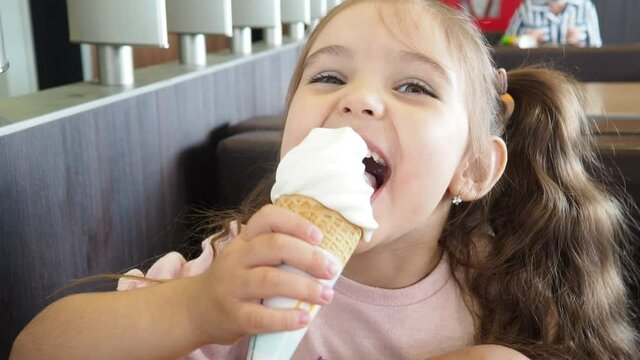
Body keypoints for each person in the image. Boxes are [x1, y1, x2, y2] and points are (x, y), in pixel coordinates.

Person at [10, 0, 638, 359]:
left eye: (413, 86)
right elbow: (36, 349)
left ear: (473, 169)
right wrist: (194, 308)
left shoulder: (498, 286)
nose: (359, 99)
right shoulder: (240, 266)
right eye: (328, 78)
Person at [504, 0, 602, 47]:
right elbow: (504, 41)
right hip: (538, 74)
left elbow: (598, 47)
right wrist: (524, 40)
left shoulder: (586, 7)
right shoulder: (527, 7)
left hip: (578, 73)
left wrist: (580, 39)